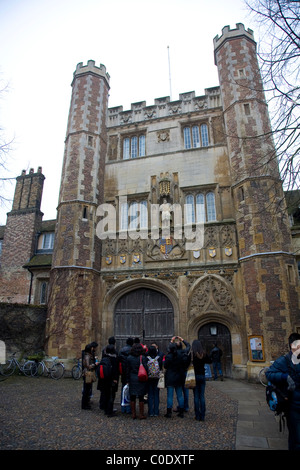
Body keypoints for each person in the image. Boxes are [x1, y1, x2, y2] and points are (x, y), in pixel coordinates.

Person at [266, 333, 300, 450]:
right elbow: (269, 373)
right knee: (296, 438)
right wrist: (284, 377)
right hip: (293, 405)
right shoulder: (284, 360)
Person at [164, 336, 191, 418]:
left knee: (170, 395)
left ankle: (169, 412)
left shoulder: (169, 356)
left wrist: (171, 341)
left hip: (171, 377)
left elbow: (165, 366)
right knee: (180, 395)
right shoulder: (182, 354)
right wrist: (182, 339)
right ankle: (181, 411)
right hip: (179, 376)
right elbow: (189, 346)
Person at [126, 342, 149, 419]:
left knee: (132, 396)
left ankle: (133, 414)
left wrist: (127, 379)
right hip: (141, 377)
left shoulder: (129, 358)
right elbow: (146, 368)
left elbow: (127, 370)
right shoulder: (143, 358)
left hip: (132, 378)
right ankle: (141, 414)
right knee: (141, 397)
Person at [191, 339, 211, 421]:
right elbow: (210, 361)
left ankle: (197, 415)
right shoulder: (204, 354)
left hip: (194, 376)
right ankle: (202, 415)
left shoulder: (192, 354)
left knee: (196, 396)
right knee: (202, 396)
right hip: (202, 376)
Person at [97, 344, 119, 417]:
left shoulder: (104, 357)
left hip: (104, 379)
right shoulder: (114, 358)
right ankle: (110, 411)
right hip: (111, 379)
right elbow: (115, 369)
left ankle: (106, 409)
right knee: (111, 395)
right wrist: (115, 379)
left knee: (106, 394)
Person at [119, 337, 134, 414]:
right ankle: (129, 409)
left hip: (124, 373)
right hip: (131, 373)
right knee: (130, 390)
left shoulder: (121, 350)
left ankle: (123, 407)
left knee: (124, 389)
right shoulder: (133, 351)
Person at [146, 345, 163, 417]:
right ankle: (156, 411)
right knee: (156, 395)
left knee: (150, 395)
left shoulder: (146, 358)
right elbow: (161, 367)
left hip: (149, 378)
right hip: (156, 378)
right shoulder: (158, 358)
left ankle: (150, 411)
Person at [81, 343, 96, 410]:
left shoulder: (88, 355)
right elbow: (88, 366)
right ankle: (84, 404)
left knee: (87, 389)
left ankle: (86, 403)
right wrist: (95, 364)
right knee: (86, 390)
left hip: (87, 373)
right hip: (87, 373)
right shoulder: (87, 356)